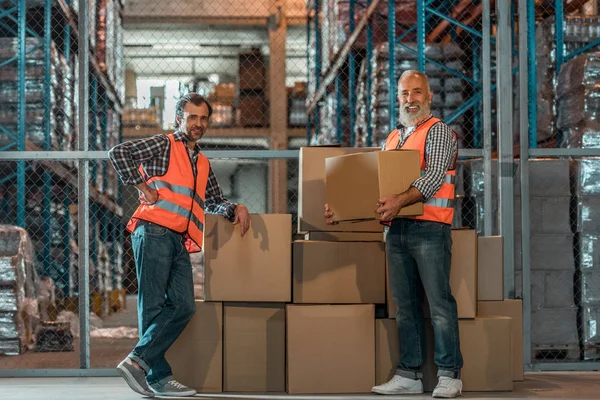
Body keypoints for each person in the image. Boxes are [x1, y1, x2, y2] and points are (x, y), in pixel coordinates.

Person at [324, 70, 462, 398]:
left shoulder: (439, 132)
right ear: (397, 98)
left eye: (417, 93)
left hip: (430, 229)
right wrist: (341, 210)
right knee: (406, 305)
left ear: (428, 97)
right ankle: (410, 374)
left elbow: (432, 177)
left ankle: (449, 375)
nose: (410, 99)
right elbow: (374, 186)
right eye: (404, 93)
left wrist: (400, 200)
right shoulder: (392, 138)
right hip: (396, 231)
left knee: (439, 304)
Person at [109, 93, 250, 397]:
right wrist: (142, 186)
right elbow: (119, 153)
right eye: (192, 117)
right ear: (179, 119)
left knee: (184, 305)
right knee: (153, 305)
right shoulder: (164, 144)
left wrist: (235, 209)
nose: (198, 123)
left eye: (203, 119)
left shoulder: (201, 160)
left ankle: (139, 362)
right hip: (153, 230)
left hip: (177, 239)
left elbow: (212, 201)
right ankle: (157, 377)